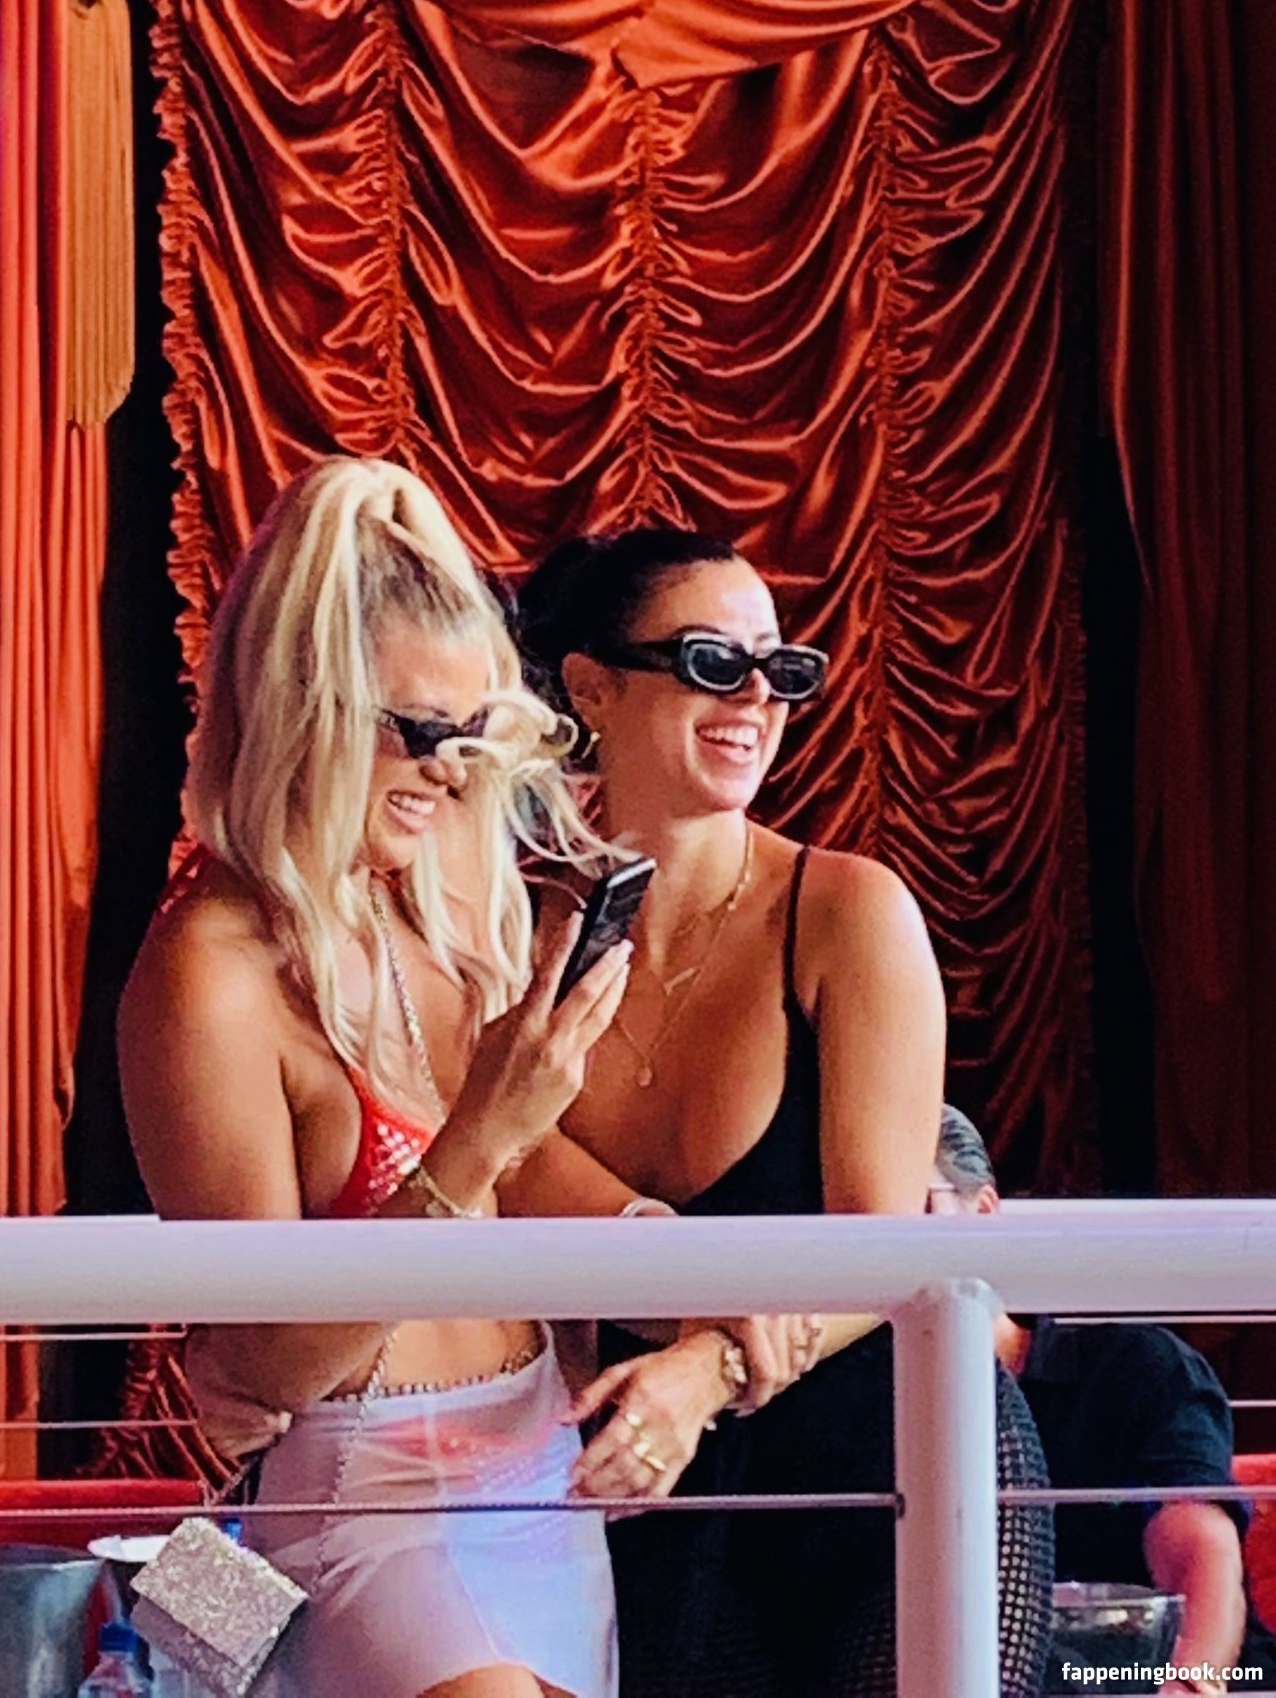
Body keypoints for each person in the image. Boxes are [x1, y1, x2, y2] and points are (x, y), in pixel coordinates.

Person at [506, 528, 1053, 1698]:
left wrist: (707, 1369)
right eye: (712, 661)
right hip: (657, 1489)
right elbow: (507, 1177)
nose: (757, 698)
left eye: (782, 669)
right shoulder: (511, 926)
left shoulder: (850, 910)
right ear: (590, 686)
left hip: (907, 1466)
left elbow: (886, 1248)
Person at [118, 458, 634, 1698]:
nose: (452, 774)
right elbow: (264, 1363)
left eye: (471, 736)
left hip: (538, 1471)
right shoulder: (210, 972)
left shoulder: (429, 905)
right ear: (306, 704)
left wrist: (681, 1268)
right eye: (421, 731)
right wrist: (476, 1144)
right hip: (360, 1506)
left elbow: (528, 1168)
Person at [933, 1103, 1276, 1697]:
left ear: (981, 1214)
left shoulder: (1135, 1369)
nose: (878, 1245)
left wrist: (1188, 1685)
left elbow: (1198, 1556)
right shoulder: (840, 1414)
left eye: (914, 1209)